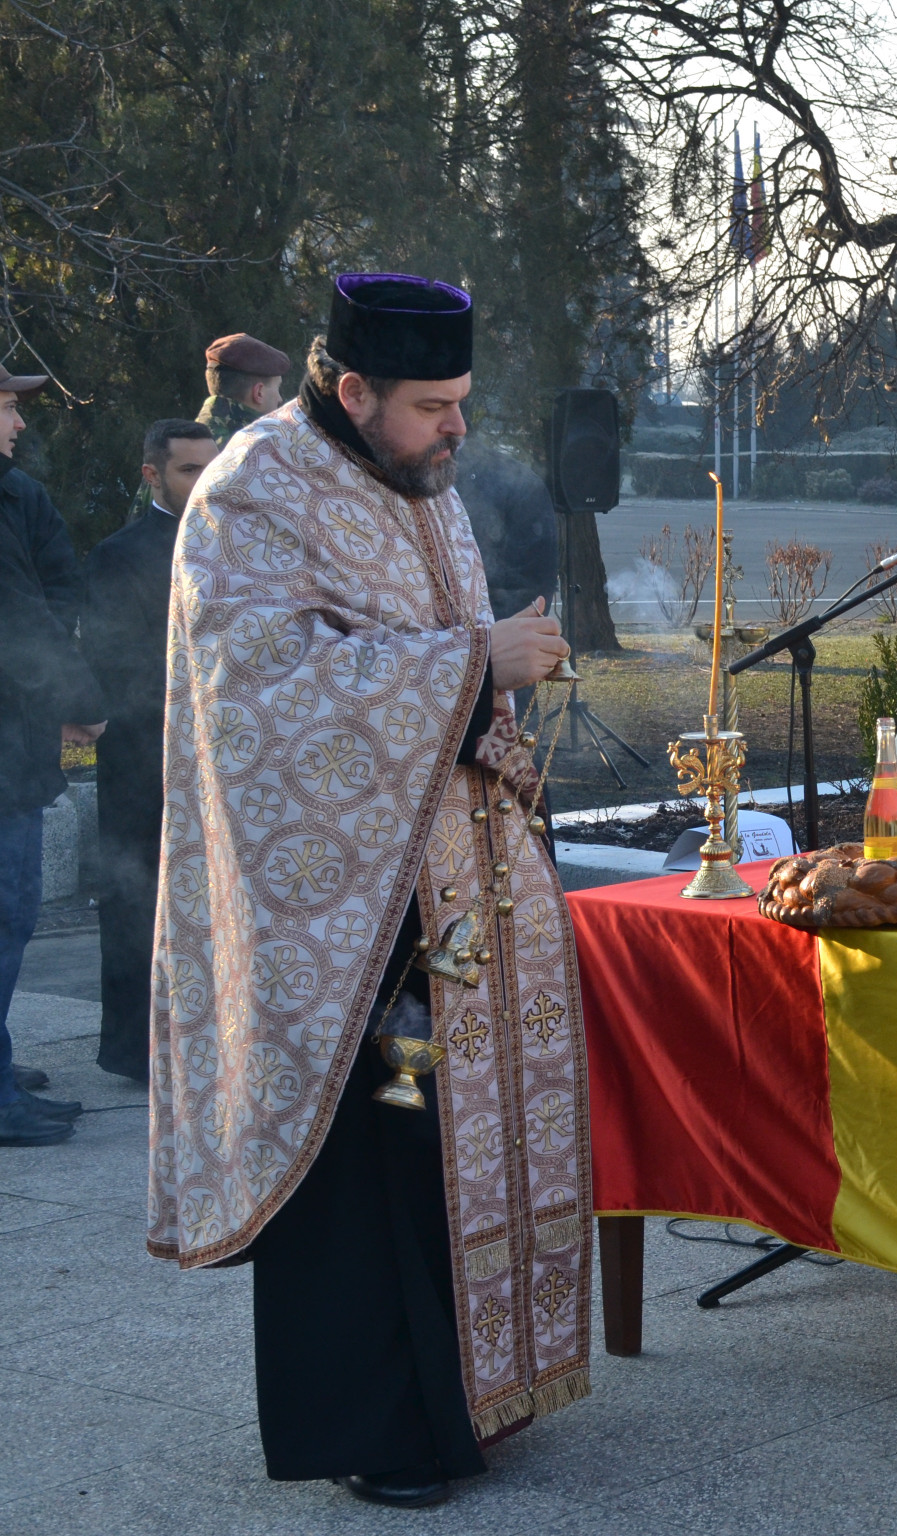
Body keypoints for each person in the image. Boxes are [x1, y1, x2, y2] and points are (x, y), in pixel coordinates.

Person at [147, 274, 588, 1509]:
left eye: (462, 403)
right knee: (374, 1167)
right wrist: (472, 661)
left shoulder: (418, 482)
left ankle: (474, 1402)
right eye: (432, 405)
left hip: (452, 878)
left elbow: (426, 649)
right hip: (337, 910)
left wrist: (491, 690)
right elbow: (257, 691)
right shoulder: (256, 488)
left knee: (453, 1147)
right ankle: (384, 1431)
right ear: (352, 392)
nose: (457, 428)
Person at [79, 420, 218, 1082]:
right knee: (138, 900)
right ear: (152, 475)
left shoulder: (237, 544)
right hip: (143, 755)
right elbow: (114, 661)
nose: (202, 484)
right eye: (189, 470)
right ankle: (138, 1048)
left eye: (209, 469)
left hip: (221, 752)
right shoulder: (118, 555)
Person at [0, 369, 105, 1145]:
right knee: (6, 914)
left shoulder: (15, 491)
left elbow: (53, 590)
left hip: (14, 736)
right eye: (5, 407)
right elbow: (20, 614)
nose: (15, 423)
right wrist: (78, 696)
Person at [194, 332, 293, 442]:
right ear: (259, 392)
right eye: (277, 388)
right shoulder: (258, 445)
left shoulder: (187, 440)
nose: (280, 399)